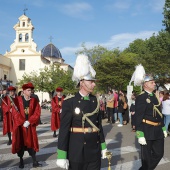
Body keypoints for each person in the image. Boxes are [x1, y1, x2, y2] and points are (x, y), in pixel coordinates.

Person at [56, 54, 107, 170]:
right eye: (91, 81)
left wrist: (103, 147)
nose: (94, 84)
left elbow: (99, 126)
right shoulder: (70, 102)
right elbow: (64, 130)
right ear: (82, 82)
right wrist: (62, 155)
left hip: (94, 151)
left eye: (94, 81)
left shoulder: (95, 101)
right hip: (76, 151)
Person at [132, 65, 167, 170]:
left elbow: (159, 113)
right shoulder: (141, 97)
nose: (154, 84)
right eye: (152, 82)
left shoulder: (154, 96)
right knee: (146, 158)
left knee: (159, 154)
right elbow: (138, 117)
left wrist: (163, 127)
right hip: (146, 130)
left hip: (157, 130)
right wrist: (140, 133)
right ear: (145, 84)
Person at [11, 82, 42, 169]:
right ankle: (21, 160)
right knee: (21, 144)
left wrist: (29, 121)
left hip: (30, 126)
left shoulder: (34, 101)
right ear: (23, 91)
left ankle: (34, 161)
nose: (30, 92)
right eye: (28, 90)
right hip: (21, 127)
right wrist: (22, 122)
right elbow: (15, 113)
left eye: (31, 90)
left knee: (31, 144)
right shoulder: (17, 100)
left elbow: (37, 112)